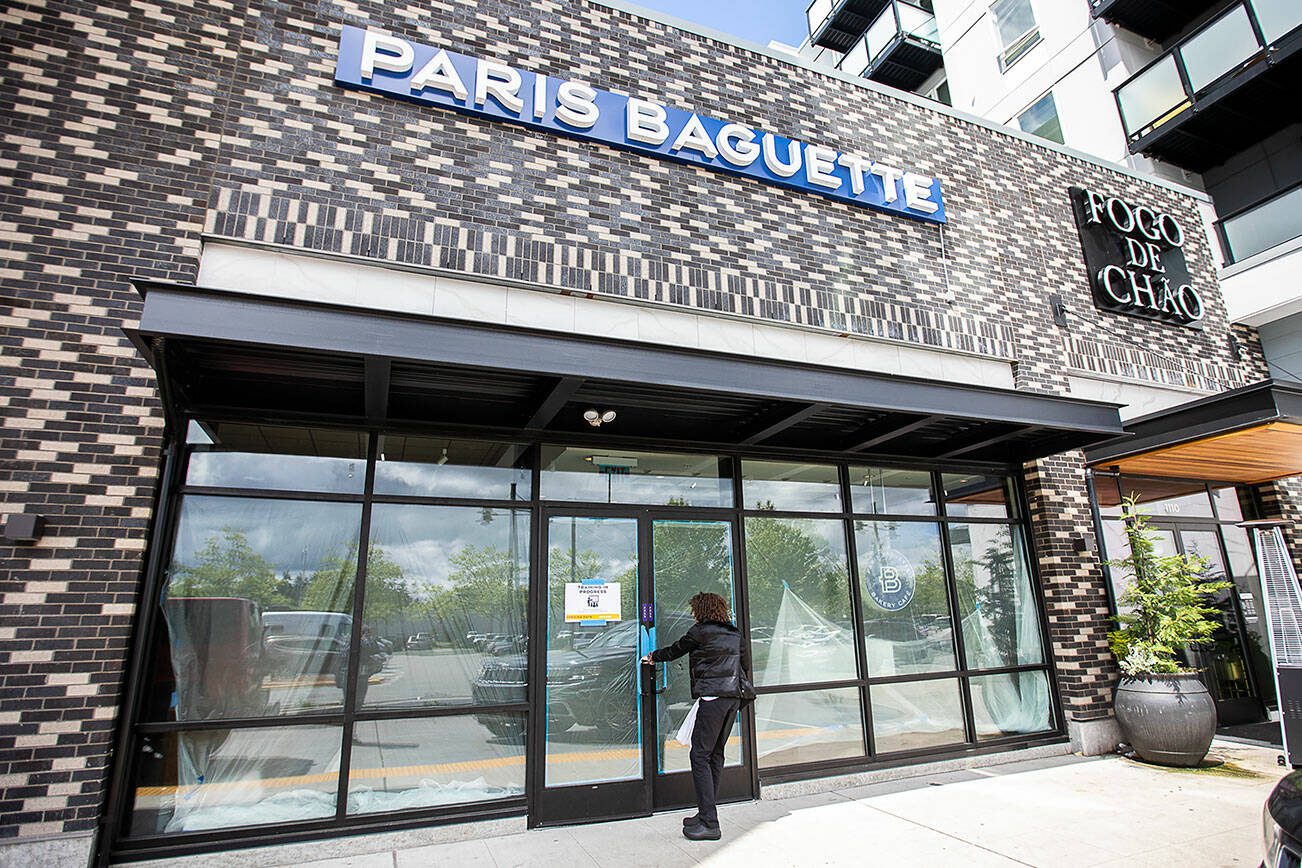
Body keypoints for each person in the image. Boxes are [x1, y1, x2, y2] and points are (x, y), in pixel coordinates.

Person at [641, 591, 751, 841]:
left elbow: (675, 650)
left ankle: (710, 824)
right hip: (732, 698)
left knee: (699, 755)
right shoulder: (734, 634)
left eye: (694, 609)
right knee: (715, 755)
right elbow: (744, 666)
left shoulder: (700, 632)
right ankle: (705, 814)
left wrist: (651, 656)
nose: (692, 613)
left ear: (702, 610)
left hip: (712, 698)